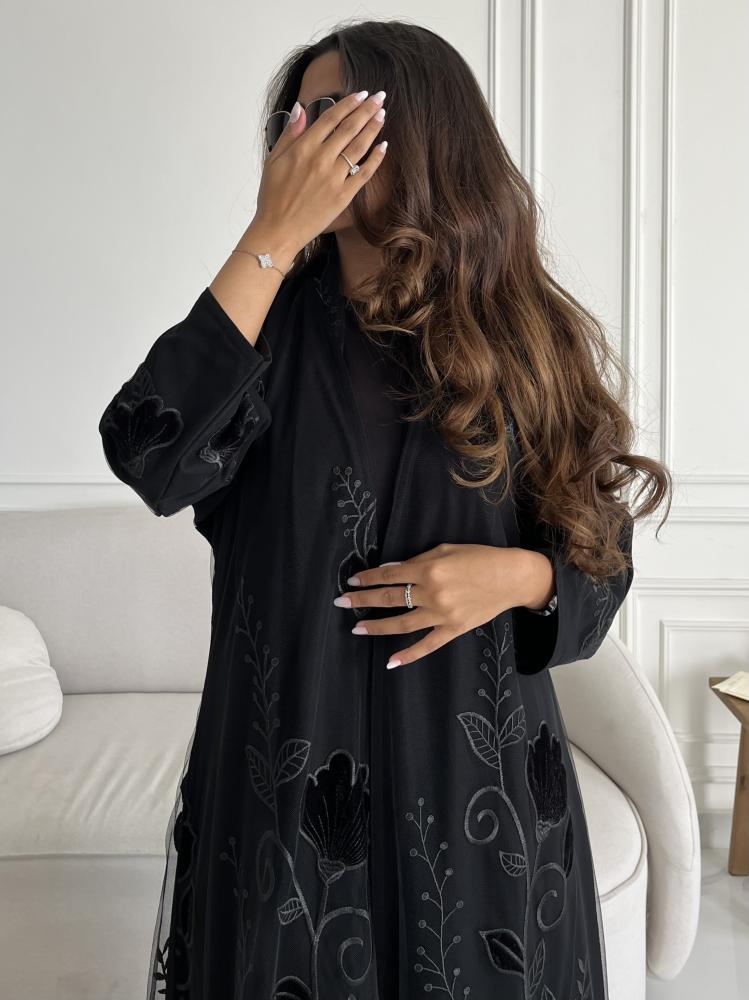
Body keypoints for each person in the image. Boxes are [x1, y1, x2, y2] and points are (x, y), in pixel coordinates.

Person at [98, 19, 671, 1000]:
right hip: (288, 791)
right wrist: (268, 238)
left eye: (332, 111)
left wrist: (518, 575)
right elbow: (150, 454)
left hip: (481, 796)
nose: (304, 138)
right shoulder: (261, 329)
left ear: (418, 132)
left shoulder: (522, 332)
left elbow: (599, 549)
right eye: (294, 119)